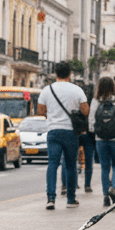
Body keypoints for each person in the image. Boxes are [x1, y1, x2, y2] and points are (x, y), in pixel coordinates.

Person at [37, 62, 89, 210]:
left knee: (52, 164)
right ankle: (71, 199)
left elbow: (41, 111)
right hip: (70, 131)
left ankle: (51, 198)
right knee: (71, 165)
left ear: (55, 74)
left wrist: (53, 115)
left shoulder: (47, 90)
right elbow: (85, 110)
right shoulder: (77, 90)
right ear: (70, 74)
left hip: (53, 131)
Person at [89, 76, 115, 206]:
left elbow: (91, 124)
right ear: (114, 87)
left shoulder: (95, 101)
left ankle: (105, 195)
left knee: (105, 168)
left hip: (100, 139)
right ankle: (114, 188)